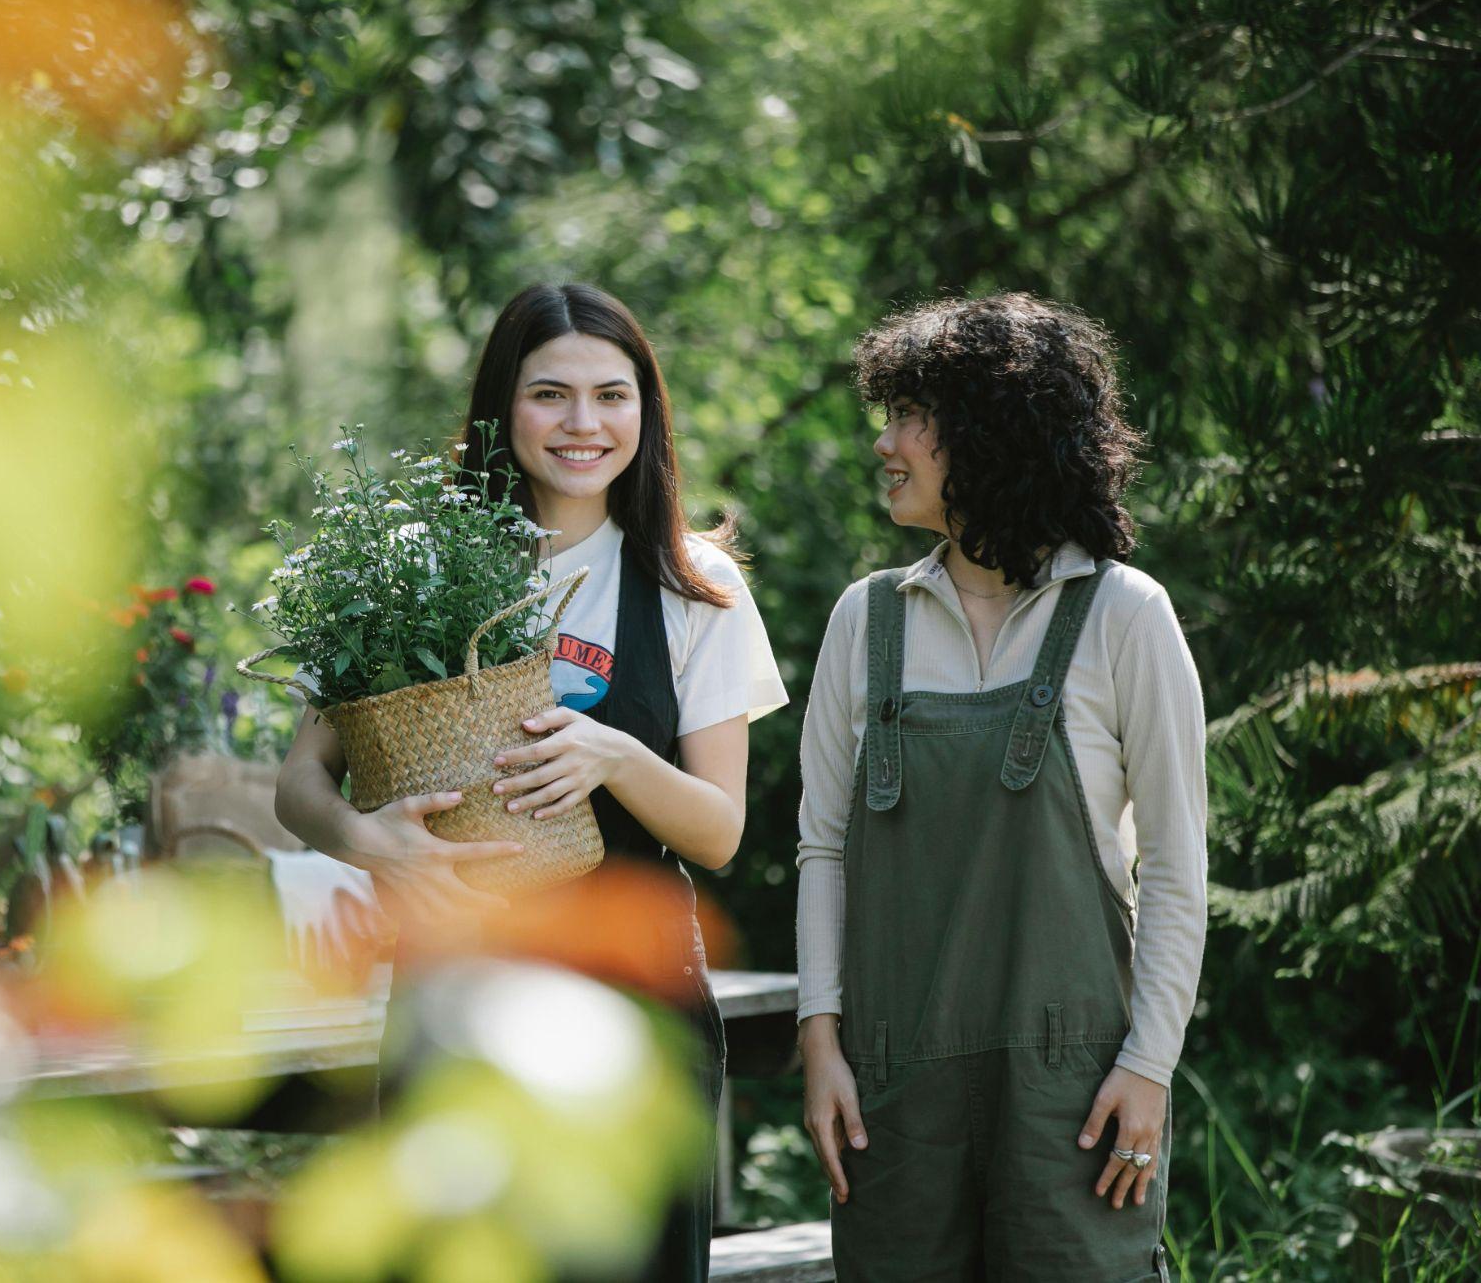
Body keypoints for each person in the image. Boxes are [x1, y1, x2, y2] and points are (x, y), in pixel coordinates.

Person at [275, 281, 788, 1281]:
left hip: (633, 1016)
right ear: (500, 408)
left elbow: (718, 832)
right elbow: (300, 784)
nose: (583, 424)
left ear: (647, 411)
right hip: (453, 1001)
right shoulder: (409, 567)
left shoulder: (695, 586)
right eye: (550, 394)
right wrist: (374, 842)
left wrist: (617, 758)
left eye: (612, 394)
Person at [794, 293, 1207, 1282]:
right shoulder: (865, 622)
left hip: (1072, 1101)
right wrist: (820, 1043)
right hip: (890, 1099)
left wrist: (1147, 1066)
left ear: (988, 433)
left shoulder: (1121, 616)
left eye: (907, 417)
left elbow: (1176, 866)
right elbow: (821, 848)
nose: (883, 443)